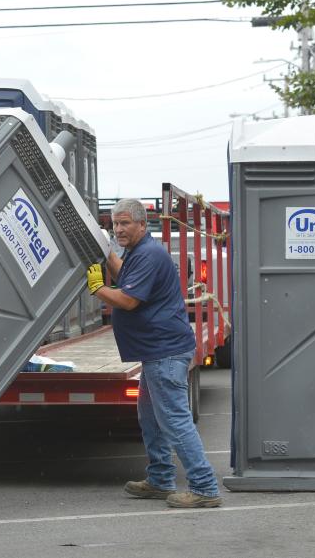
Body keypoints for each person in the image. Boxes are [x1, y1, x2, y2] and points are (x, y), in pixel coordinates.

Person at [86, 198, 220, 508]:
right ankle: (160, 479)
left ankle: (204, 487)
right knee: (150, 418)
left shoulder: (147, 254)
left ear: (142, 225)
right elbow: (126, 278)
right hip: (156, 352)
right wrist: (107, 255)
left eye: (125, 224)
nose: (118, 228)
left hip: (165, 352)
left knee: (173, 419)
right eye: (115, 223)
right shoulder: (139, 252)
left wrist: (97, 288)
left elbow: (129, 299)